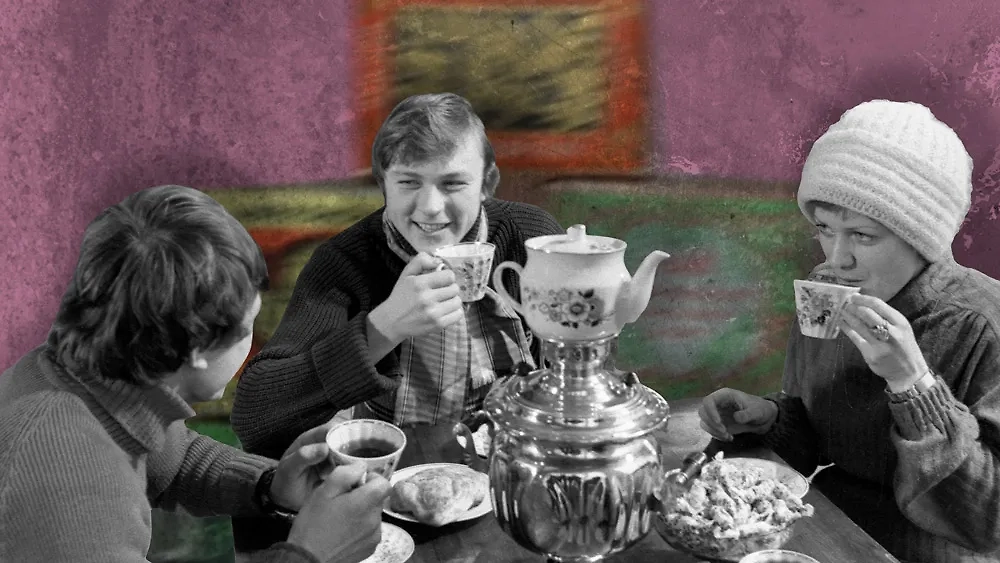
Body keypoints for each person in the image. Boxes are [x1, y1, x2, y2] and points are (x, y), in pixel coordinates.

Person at [229, 92, 562, 548]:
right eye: (408, 182)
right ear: (382, 183)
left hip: (510, 493)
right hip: (384, 510)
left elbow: (575, 373)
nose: (430, 207)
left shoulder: (530, 237)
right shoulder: (343, 264)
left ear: (488, 182)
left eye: (452, 184)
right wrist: (381, 329)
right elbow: (255, 415)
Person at [0, 185, 391, 563]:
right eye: (250, 325)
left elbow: (171, 459)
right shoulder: (65, 479)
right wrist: (313, 552)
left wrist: (269, 486)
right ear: (199, 348)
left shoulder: (97, 373)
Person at [698, 100, 1000, 563]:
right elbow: (824, 440)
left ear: (922, 237)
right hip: (828, 526)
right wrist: (771, 419)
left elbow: (990, 520)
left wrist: (913, 383)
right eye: (824, 228)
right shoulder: (826, 291)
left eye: (863, 235)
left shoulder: (985, 323)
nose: (837, 259)